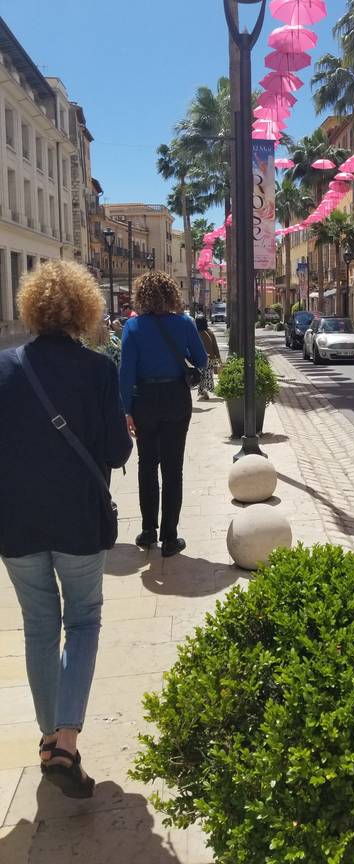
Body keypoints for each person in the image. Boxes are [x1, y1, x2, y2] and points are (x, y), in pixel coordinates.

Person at [0, 261, 132, 798]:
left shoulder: (5, 367)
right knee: (82, 620)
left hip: (15, 521)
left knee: (38, 626)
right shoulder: (98, 370)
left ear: (30, 308)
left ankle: (48, 735)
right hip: (78, 517)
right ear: (85, 309)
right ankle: (67, 742)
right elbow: (117, 452)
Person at [120, 271, 207, 557]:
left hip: (144, 399)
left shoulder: (132, 326)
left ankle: (148, 531)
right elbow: (202, 360)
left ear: (142, 296)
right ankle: (170, 537)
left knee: (147, 464)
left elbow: (126, 372)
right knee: (173, 468)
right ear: (171, 294)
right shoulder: (184, 323)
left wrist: (126, 410)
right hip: (175, 397)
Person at [195, 315, 221, 400]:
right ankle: (206, 389)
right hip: (210, 357)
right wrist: (218, 358)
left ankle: (203, 390)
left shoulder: (195, 333)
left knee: (201, 375)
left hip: (199, 357)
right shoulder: (210, 333)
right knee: (208, 374)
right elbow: (215, 347)